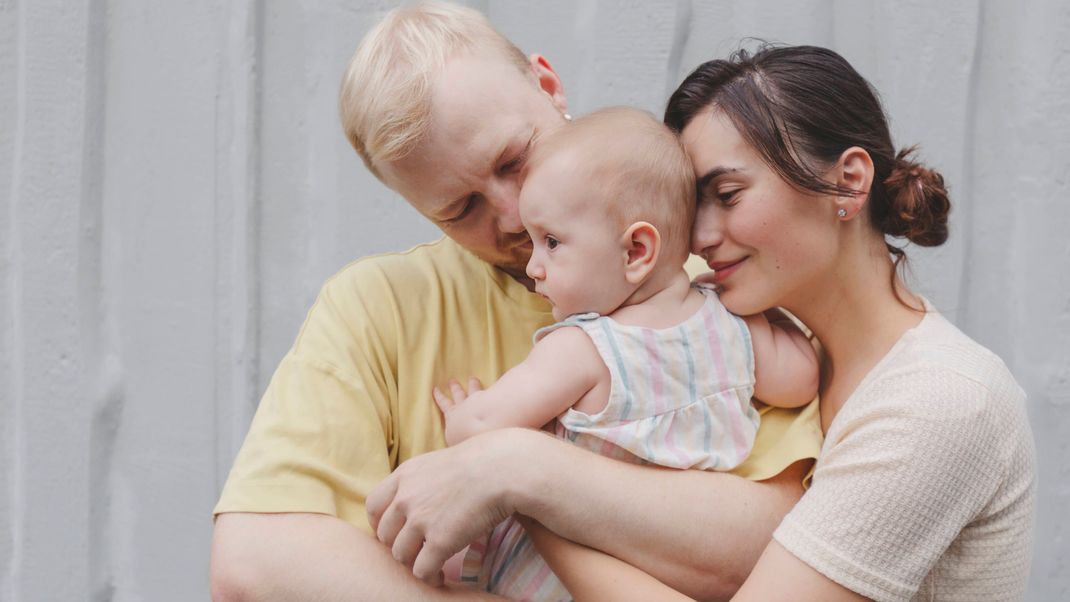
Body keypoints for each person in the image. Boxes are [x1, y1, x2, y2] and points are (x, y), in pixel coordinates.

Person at [210, 3, 822, 601]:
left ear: (548, 85)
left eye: (513, 160)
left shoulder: (711, 285)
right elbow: (251, 566)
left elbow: (785, 552)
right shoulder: (376, 308)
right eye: (460, 210)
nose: (509, 215)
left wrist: (515, 469)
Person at [537, 44, 1036, 601]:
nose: (699, 236)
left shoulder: (939, 400)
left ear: (848, 181)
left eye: (727, 195)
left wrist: (532, 503)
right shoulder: (772, 357)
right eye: (691, 204)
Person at [425, 107, 818, 599]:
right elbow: (801, 379)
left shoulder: (585, 348)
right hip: (668, 568)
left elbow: (480, 431)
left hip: (551, 575)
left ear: (636, 252)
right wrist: (754, 310)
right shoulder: (732, 327)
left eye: (550, 242)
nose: (535, 267)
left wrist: (461, 415)